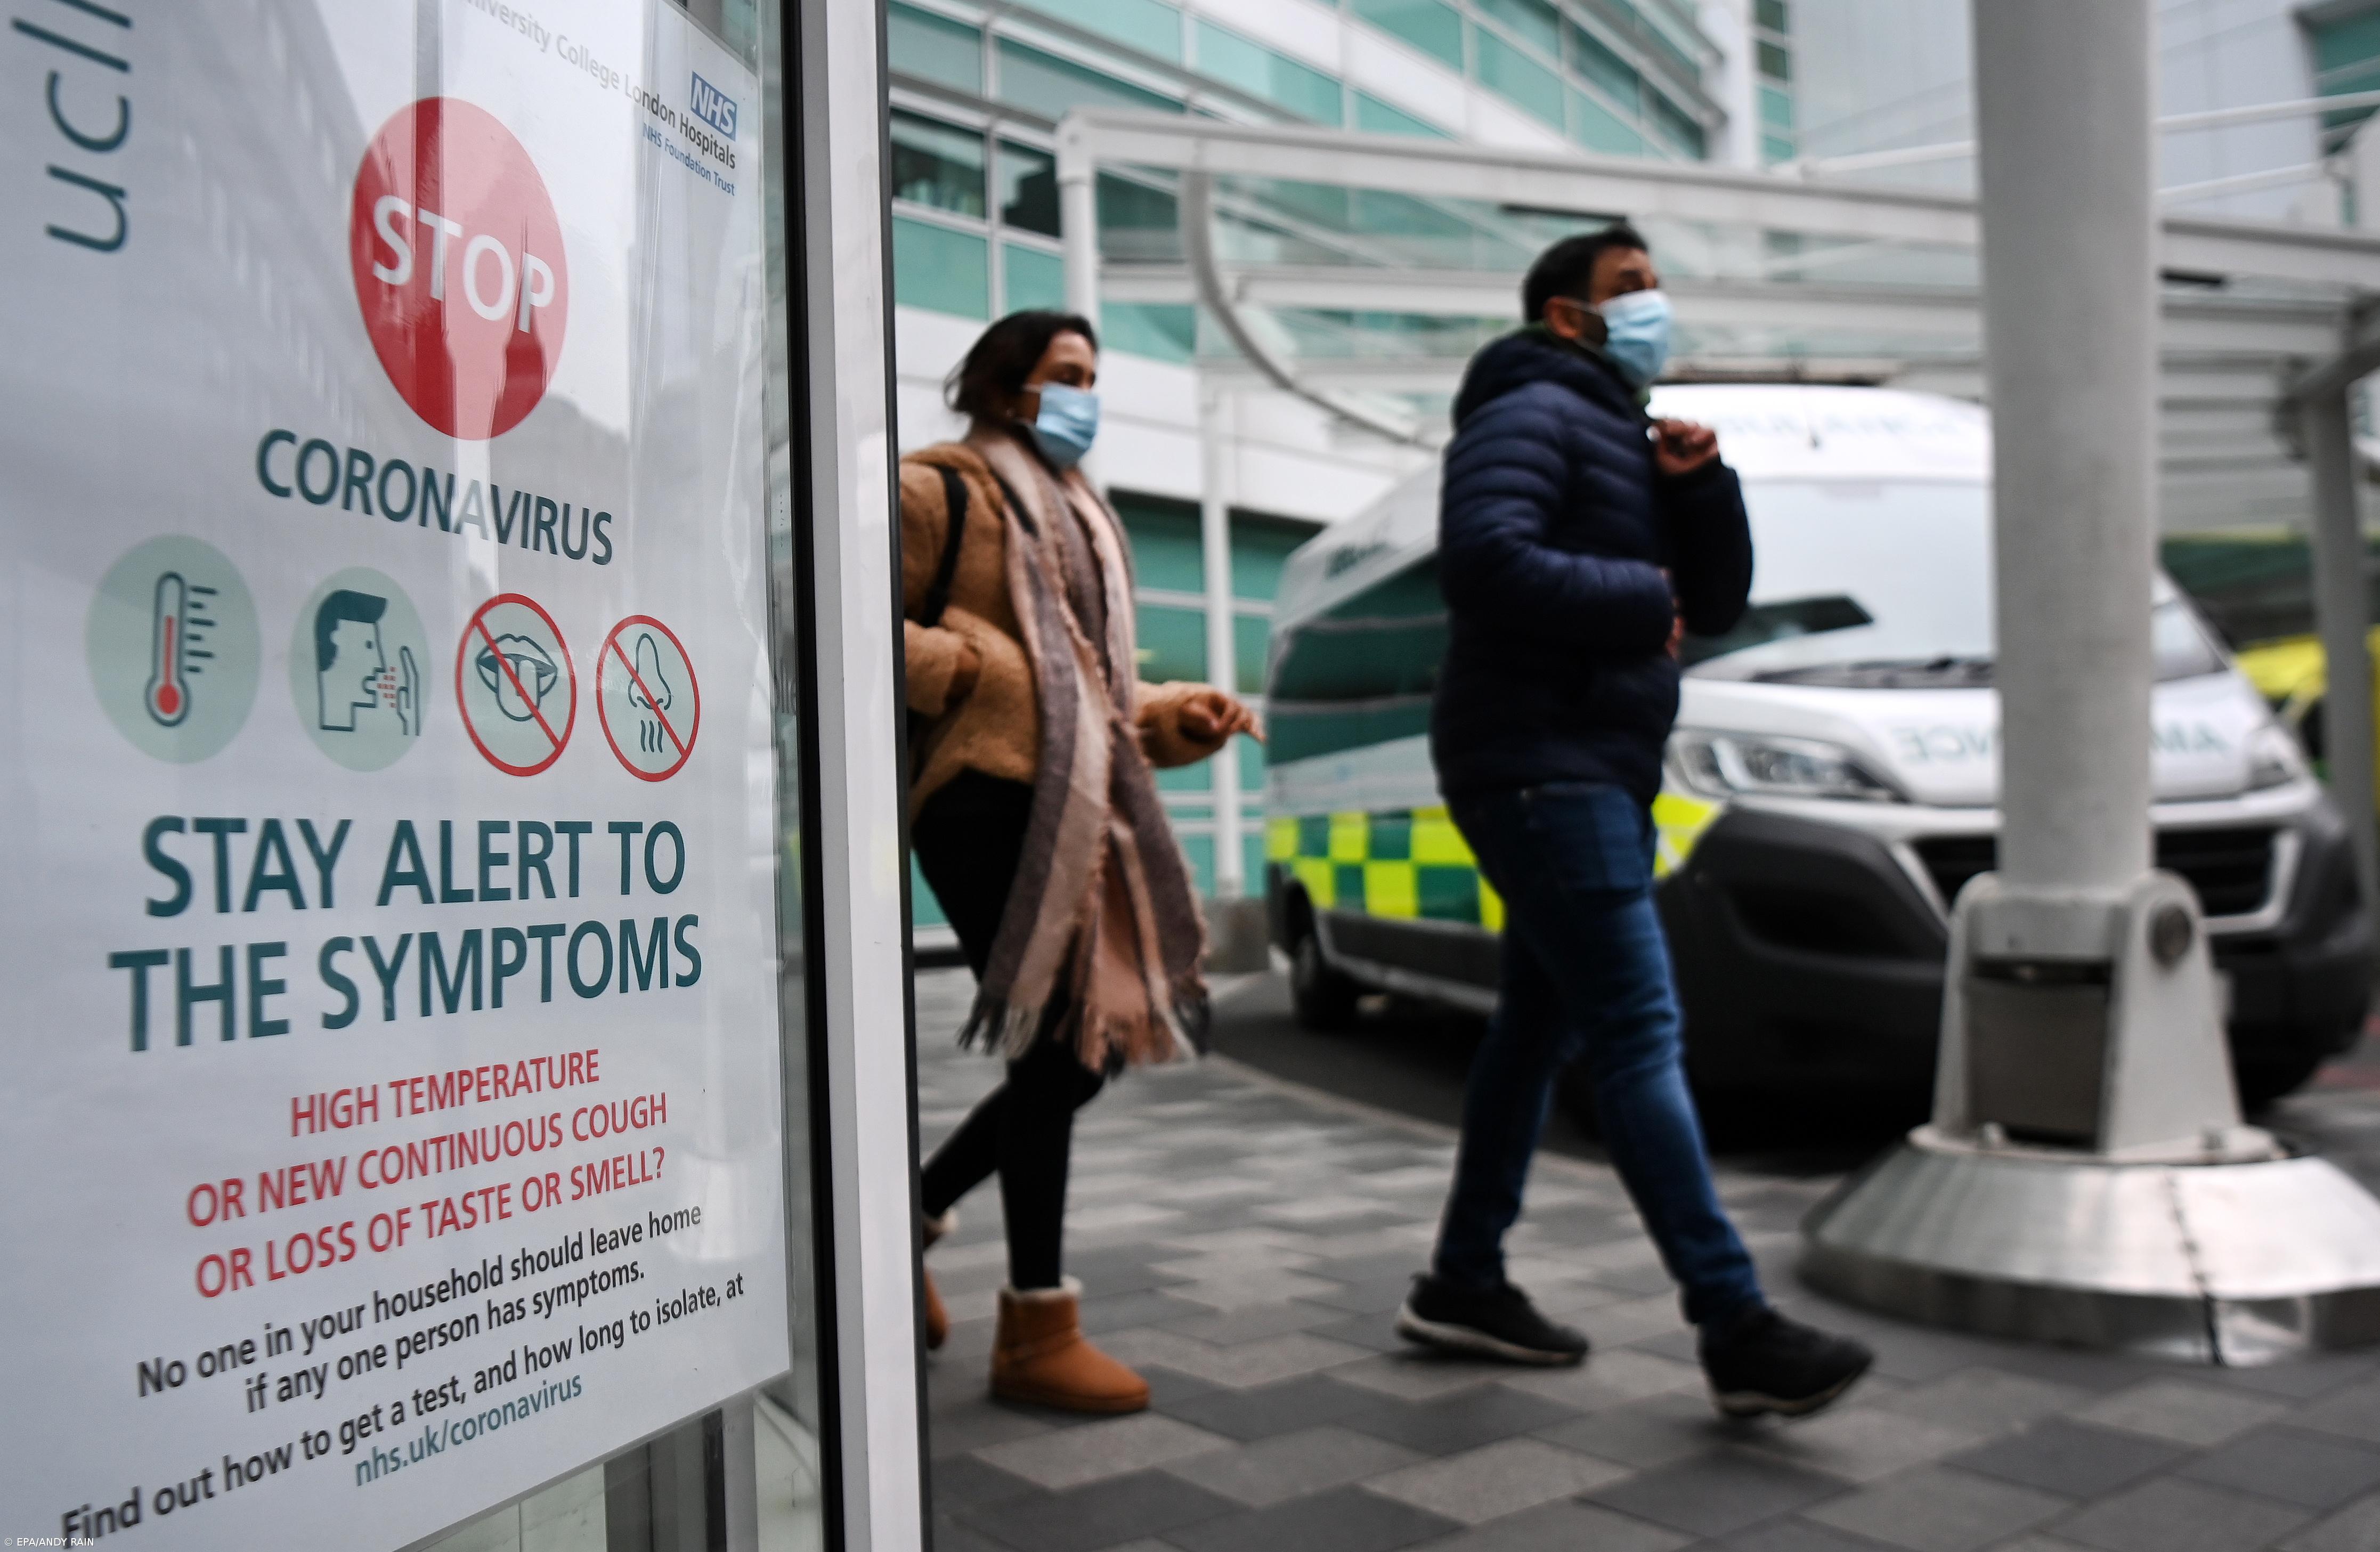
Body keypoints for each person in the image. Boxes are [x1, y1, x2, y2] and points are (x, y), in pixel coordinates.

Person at [1397, 226, 1874, 1419]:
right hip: (1538, 758)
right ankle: (1732, 1320)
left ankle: (1461, 1279)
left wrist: (1697, 487)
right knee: (1638, 1026)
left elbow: (1711, 603)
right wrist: (1636, 594)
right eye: (1629, 289)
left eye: (1658, 284)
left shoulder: (1622, 435)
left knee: (1535, 1026)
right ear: (1567, 316)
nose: (1654, 303)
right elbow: (1483, 561)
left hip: (1584, 759)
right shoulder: (1525, 411)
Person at [901, 310, 1258, 1413]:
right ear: (1008, 387)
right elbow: (821, 609)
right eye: (1067, 375)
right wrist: (964, 671)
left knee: (1075, 1057)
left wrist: (1174, 711)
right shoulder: (936, 489)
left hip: (1066, 801)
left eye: (1092, 376)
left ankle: (907, 1218)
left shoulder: (1075, 516)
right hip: (975, 797)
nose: (1084, 395)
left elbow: (1090, 687)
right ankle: (1034, 1328)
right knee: (1059, 1048)